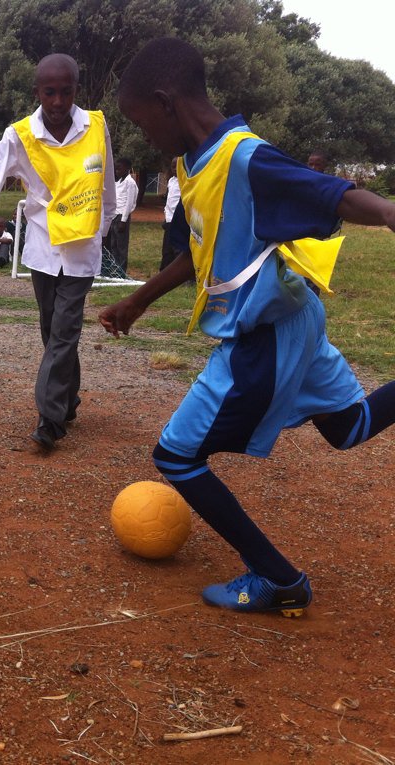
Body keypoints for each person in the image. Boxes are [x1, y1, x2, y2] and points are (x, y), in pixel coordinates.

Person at [99, 37, 395, 615]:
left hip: (263, 336)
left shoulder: (246, 157)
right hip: (297, 318)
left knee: (177, 456)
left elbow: (341, 197)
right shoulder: (194, 161)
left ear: (166, 102)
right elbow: (197, 250)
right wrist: (138, 302)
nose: (144, 137)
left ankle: (279, 579)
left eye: (142, 121)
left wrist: (389, 213)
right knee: (349, 426)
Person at [0, 53, 116, 450]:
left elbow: (107, 188)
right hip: (41, 248)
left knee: (64, 331)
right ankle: (68, 400)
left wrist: (101, 229)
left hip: (81, 251)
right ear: (38, 91)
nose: (58, 102)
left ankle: (50, 420)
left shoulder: (97, 126)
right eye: (50, 92)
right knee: (51, 331)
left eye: (66, 92)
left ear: (77, 90)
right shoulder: (19, 135)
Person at [103, 157, 139, 273]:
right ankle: (115, 267)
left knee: (122, 245)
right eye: (116, 169)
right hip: (114, 216)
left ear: (127, 168)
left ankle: (121, 270)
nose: (117, 171)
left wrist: (123, 220)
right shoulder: (118, 182)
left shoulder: (130, 183)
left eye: (119, 169)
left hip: (122, 217)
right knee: (114, 244)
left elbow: (129, 203)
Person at [159, 162, 182, 271]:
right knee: (167, 249)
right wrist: (166, 216)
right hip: (169, 219)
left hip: (180, 220)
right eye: (172, 166)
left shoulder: (185, 181)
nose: (174, 169)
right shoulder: (171, 181)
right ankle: (165, 270)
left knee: (178, 248)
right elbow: (169, 201)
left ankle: (181, 274)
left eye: (176, 166)